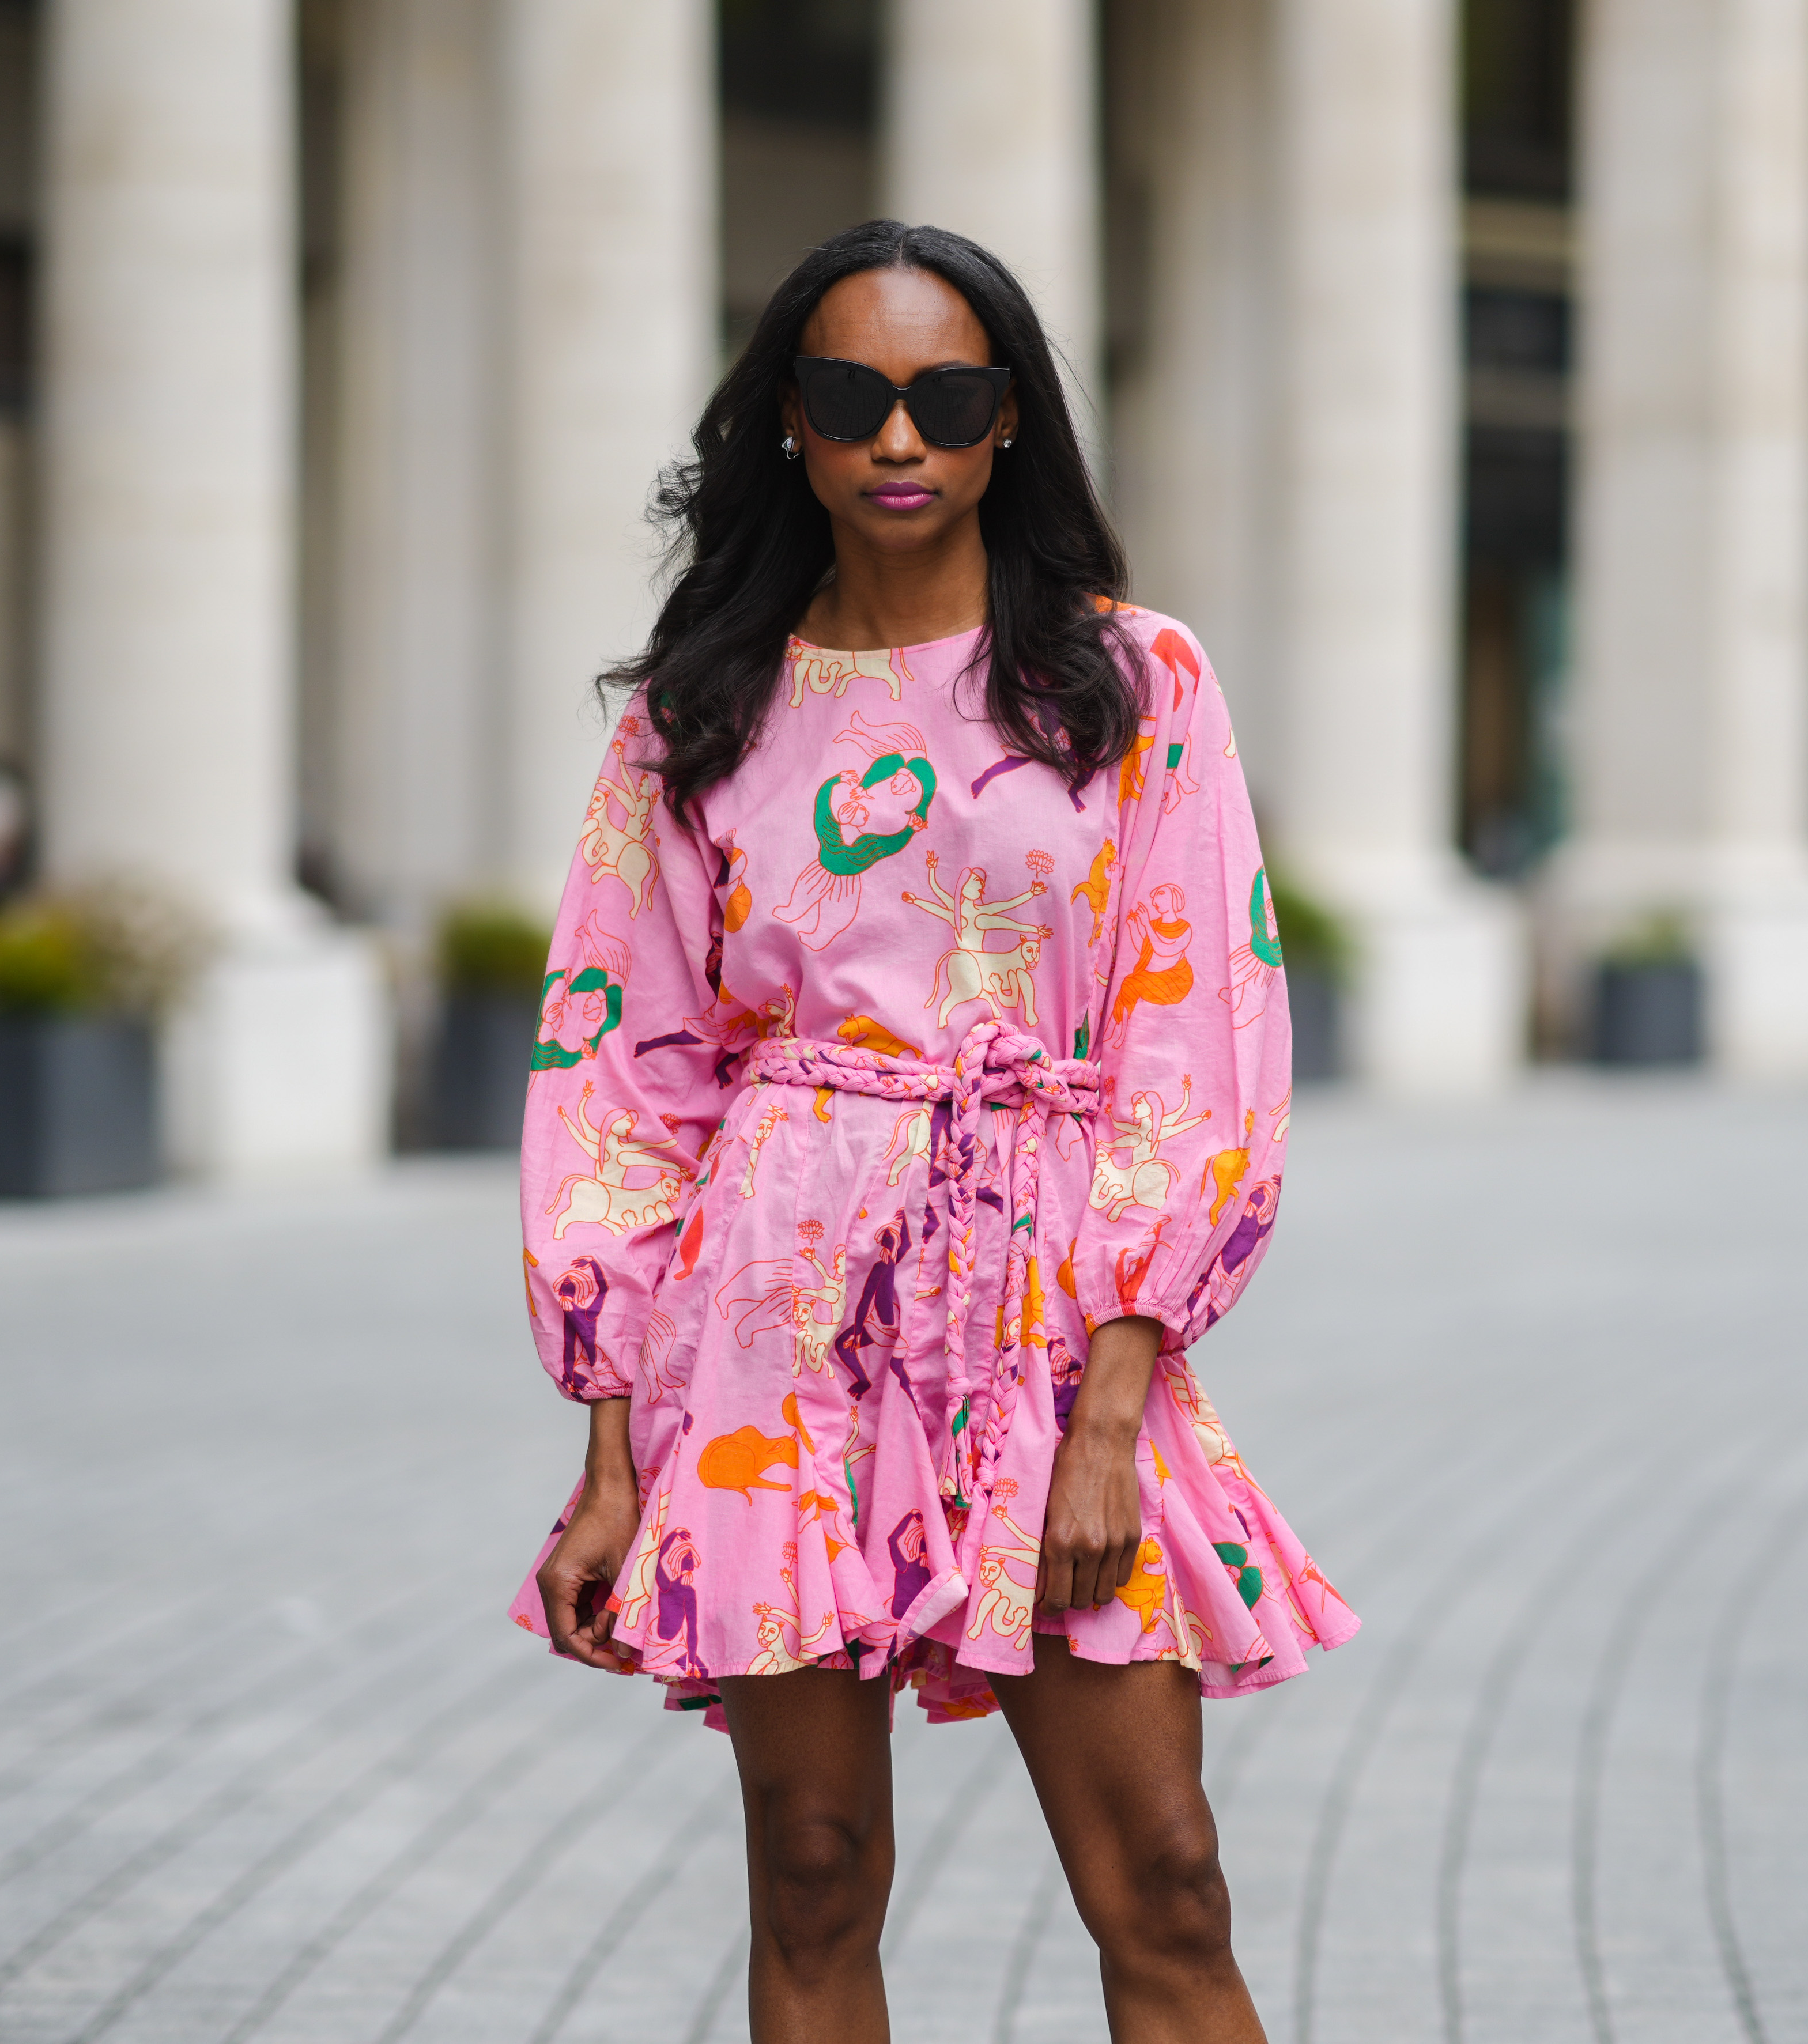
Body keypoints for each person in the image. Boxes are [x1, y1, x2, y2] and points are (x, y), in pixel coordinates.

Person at [512, 220, 1354, 2043]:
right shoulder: (695, 720)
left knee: (1169, 1877)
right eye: (850, 397)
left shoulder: (1131, 686)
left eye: (946, 398)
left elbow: (1196, 1039)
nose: (899, 438)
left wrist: (1115, 1405)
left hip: (1053, 1330)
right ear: (790, 432)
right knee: (811, 1873)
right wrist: (608, 1446)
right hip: (771, 1330)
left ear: (1006, 432)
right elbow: (621, 1083)